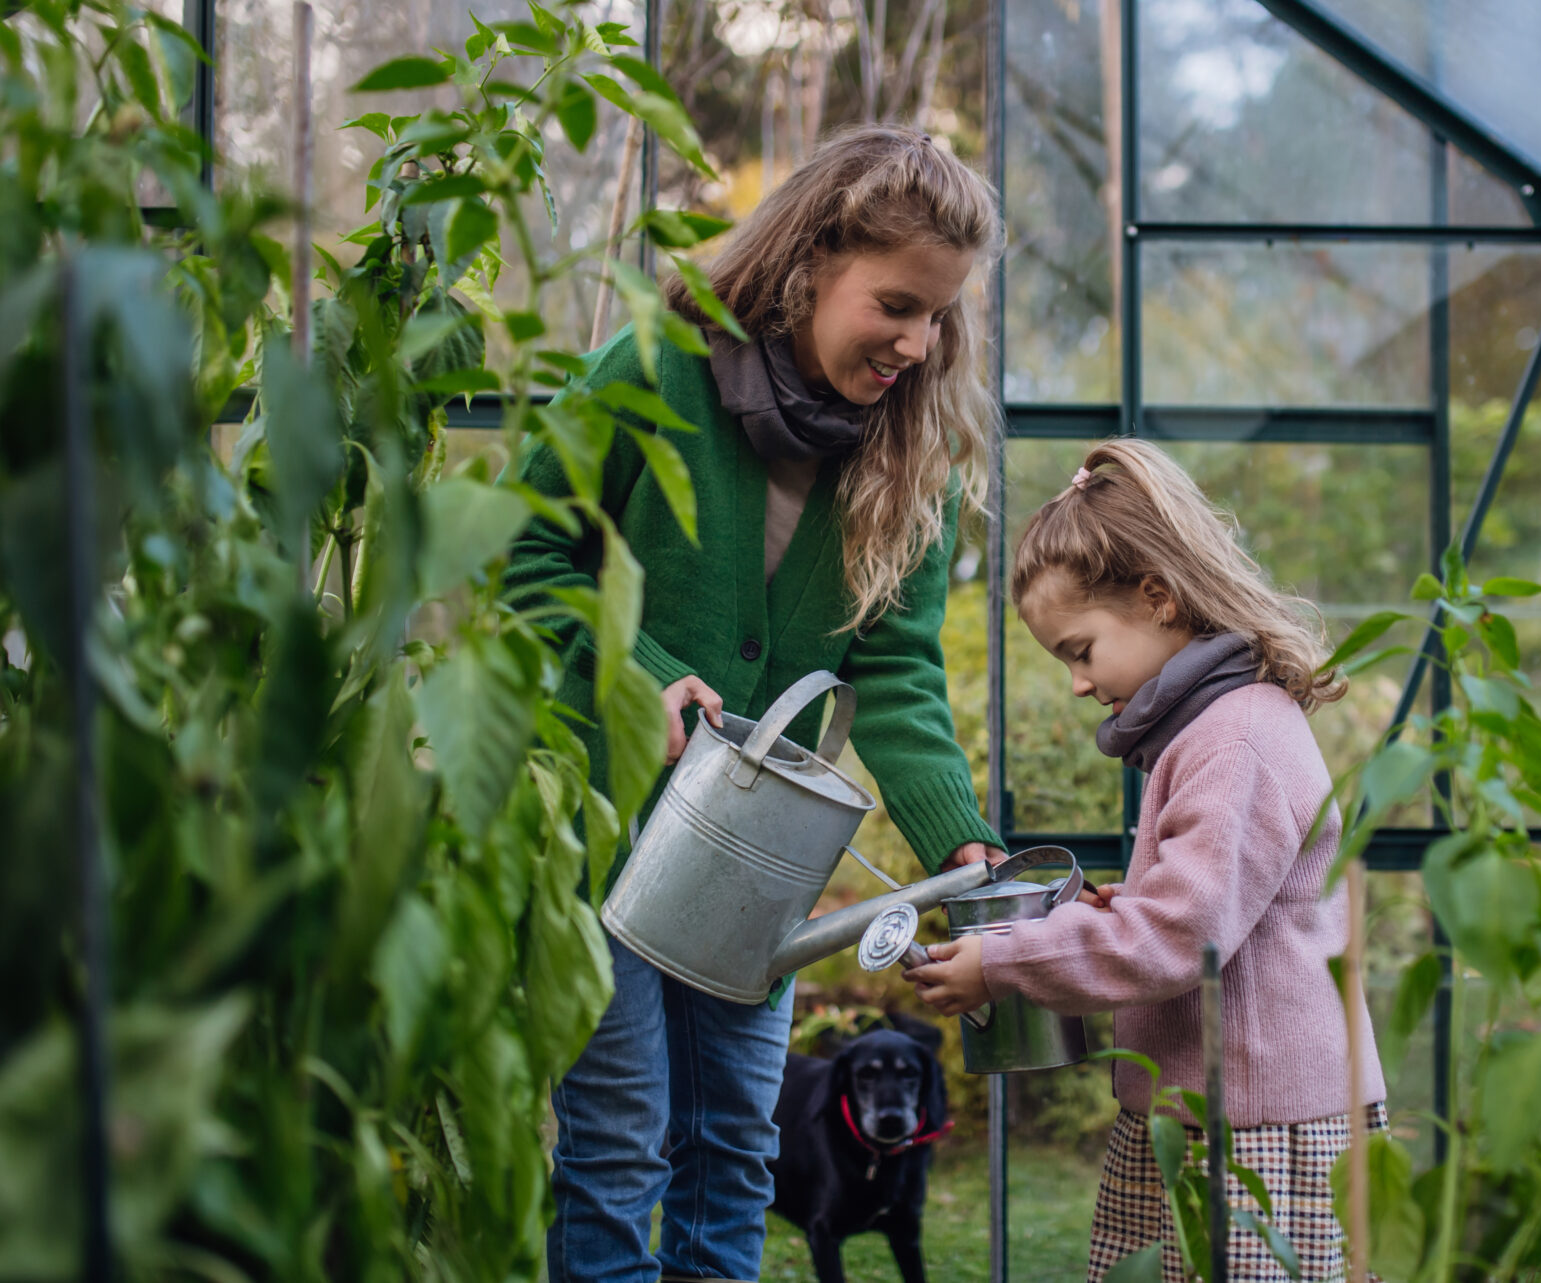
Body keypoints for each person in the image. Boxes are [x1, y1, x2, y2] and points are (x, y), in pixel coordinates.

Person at [505, 125, 1006, 1283]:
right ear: (810, 257)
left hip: (756, 864)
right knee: (619, 1144)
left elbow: (898, 670)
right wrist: (635, 683)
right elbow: (530, 565)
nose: (917, 344)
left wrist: (957, 837)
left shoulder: (908, 452)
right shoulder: (651, 366)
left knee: (733, 1142)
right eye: (895, 304)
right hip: (609, 825)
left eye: (938, 317)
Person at [906, 440, 1388, 1283]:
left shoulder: (1235, 737)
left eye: (1079, 649)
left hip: (1252, 1142)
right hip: (1207, 1118)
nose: (1077, 684)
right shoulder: (1214, 730)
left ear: (1158, 598)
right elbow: (1217, 907)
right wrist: (1122, 902)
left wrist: (1006, 963)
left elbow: (1185, 935)